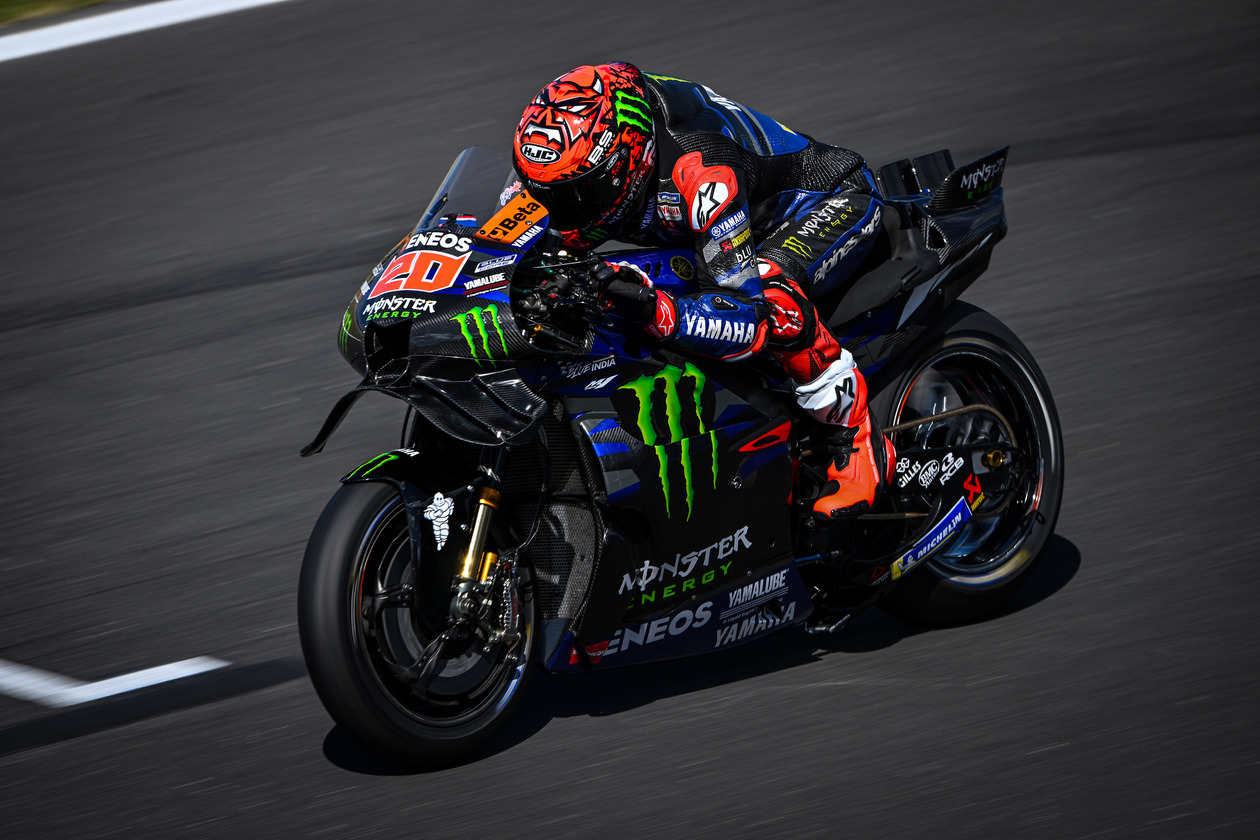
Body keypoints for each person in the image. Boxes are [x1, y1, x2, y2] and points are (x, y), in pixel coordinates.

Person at [512, 62, 895, 518]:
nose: (558, 211)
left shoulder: (703, 174)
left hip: (824, 204)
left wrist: (655, 310)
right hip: (715, 228)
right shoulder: (565, 155)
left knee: (775, 300)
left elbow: (748, 318)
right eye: (546, 193)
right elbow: (507, 234)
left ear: (630, 161)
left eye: (576, 196)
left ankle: (856, 439)